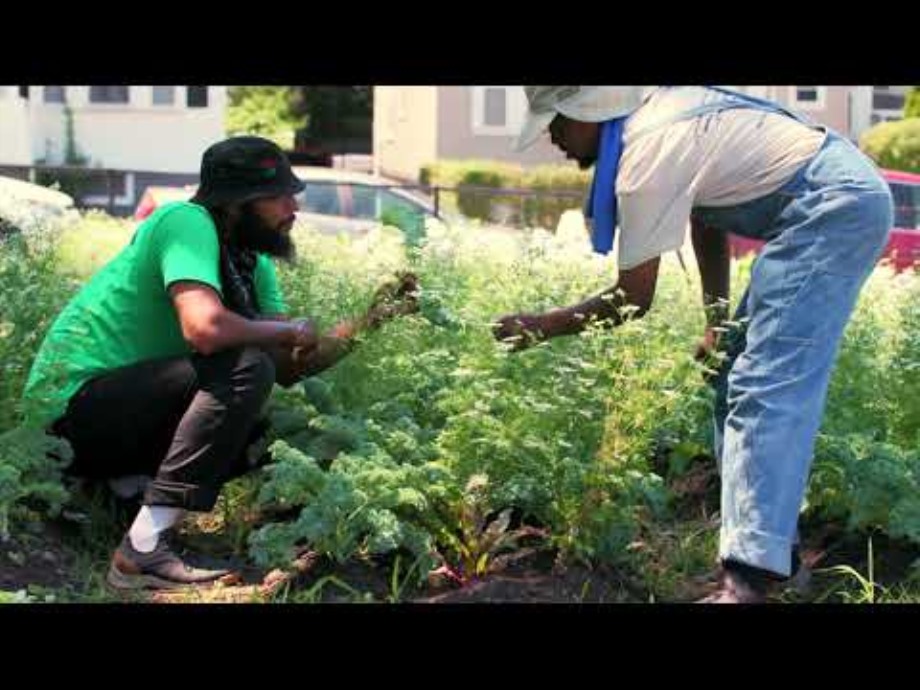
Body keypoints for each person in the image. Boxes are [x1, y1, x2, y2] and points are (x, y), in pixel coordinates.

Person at [493, 86, 893, 603]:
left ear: (586, 113)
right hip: (832, 195)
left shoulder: (645, 156)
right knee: (734, 368)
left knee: (766, 381)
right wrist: (716, 324)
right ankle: (780, 558)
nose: (552, 137)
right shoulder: (659, 119)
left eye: (556, 122)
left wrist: (541, 326)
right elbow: (707, 214)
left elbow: (633, 299)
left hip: (833, 205)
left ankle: (748, 579)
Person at [23, 136, 417, 591]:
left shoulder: (251, 262)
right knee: (245, 366)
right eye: (278, 196)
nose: (293, 208)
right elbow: (205, 328)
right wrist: (285, 329)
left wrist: (372, 320)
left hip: (124, 416)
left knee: (270, 424)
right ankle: (143, 548)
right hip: (65, 419)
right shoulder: (185, 221)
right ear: (235, 202)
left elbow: (289, 367)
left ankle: (123, 496)